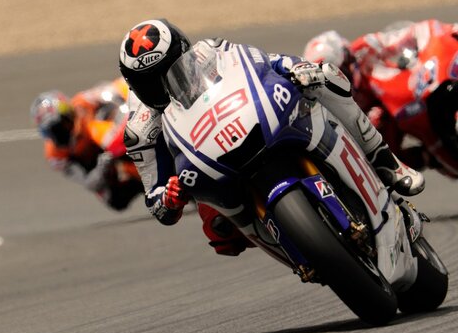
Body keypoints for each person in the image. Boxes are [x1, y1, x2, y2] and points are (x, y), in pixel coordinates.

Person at [118, 19, 425, 256]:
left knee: (325, 79)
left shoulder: (211, 52)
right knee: (220, 232)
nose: (163, 86)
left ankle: (386, 161)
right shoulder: (140, 129)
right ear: (133, 85)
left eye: (169, 72)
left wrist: (299, 69)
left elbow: (264, 62)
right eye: (150, 83)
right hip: (204, 166)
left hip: (249, 121)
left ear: (185, 54)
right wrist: (169, 198)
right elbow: (155, 201)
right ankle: (299, 247)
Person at [303, 20, 458, 169]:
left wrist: (449, 29)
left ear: (347, 55)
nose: (342, 74)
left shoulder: (367, 46)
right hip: (397, 112)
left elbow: (414, 32)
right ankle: (433, 157)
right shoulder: (336, 95)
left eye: (342, 67)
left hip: (414, 84)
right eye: (332, 74)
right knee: (382, 148)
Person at [30, 77, 143, 211]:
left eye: (61, 126)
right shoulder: (55, 156)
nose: (59, 134)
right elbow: (88, 183)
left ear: (69, 114)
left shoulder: (82, 102)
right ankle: (145, 184)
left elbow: (115, 88)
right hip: (97, 164)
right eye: (52, 132)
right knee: (114, 199)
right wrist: (102, 168)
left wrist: (126, 109)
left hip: (110, 133)